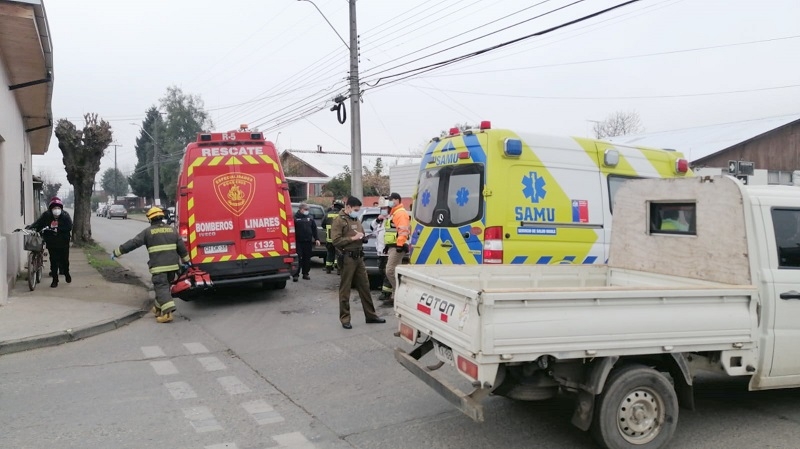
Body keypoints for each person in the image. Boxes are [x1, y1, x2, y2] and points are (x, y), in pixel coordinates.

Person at [111, 207, 190, 323]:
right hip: (173, 267)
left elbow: (133, 243)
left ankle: (168, 314)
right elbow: (182, 248)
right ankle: (157, 309)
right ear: (162, 217)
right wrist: (187, 261)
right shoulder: (172, 230)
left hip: (159, 267)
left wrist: (117, 252)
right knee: (164, 288)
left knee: (161, 287)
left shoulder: (148, 232)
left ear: (150, 219)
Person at [331, 196, 386, 329]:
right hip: (347, 258)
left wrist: (363, 237)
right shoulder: (339, 221)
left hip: (359, 257)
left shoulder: (356, 219)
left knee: (365, 287)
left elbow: (360, 234)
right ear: (348, 207)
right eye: (356, 209)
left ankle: (371, 315)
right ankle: (345, 319)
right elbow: (336, 241)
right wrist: (352, 238)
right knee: (345, 289)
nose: (357, 211)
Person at [28, 197, 72, 288]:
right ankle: (55, 280)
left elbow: (69, 227)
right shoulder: (46, 215)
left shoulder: (65, 216)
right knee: (54, 261)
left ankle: (66, 273)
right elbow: (39, 223)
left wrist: (58, 229)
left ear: (61, 209)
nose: (56, 210)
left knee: (64, 261)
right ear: (51, 209)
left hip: (63, 242)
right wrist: (32, 227)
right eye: (54, 208)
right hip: (52, 242)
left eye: (58, 208)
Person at [383, 192, 411, 307]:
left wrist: (399, 245)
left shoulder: (400, 213)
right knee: (394, 271)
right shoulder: (393, 213)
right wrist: (387, 245)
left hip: (397, 246)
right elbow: (391, 231)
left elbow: (403, 230)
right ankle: (395, 296)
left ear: (398, 200)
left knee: (390, 270)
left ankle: (399, 293)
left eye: (392, 199)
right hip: (392, 246)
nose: (390, 201)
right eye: (390, 199)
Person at [293, 202, 320, 282]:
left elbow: (314, 229)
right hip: (298, 242)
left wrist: (317, 239)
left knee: (307, 258)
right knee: (298, 258)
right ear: (300, 209)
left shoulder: (310, 218)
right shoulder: (295, 218)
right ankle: (296, 275)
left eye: (308, 209)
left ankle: (305, 273)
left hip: (308, 242)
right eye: (305, 209)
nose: (307, 211)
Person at [371, 206, 393, 301]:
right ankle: (386, 291)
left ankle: (386, 293)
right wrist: (378, 219)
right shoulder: (380, 222)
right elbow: (372, 226)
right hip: (380, 252)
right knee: (382, 271)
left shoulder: (391, 220)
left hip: (388, 251)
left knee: (387, 272)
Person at [322, 199, 344, 274]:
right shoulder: (341, 215)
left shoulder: (328, 214)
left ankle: (328, 268)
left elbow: (323, 224)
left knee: (330, 253)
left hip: (329, 237)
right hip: (338, 238)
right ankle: (338, 269)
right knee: (339, 253)